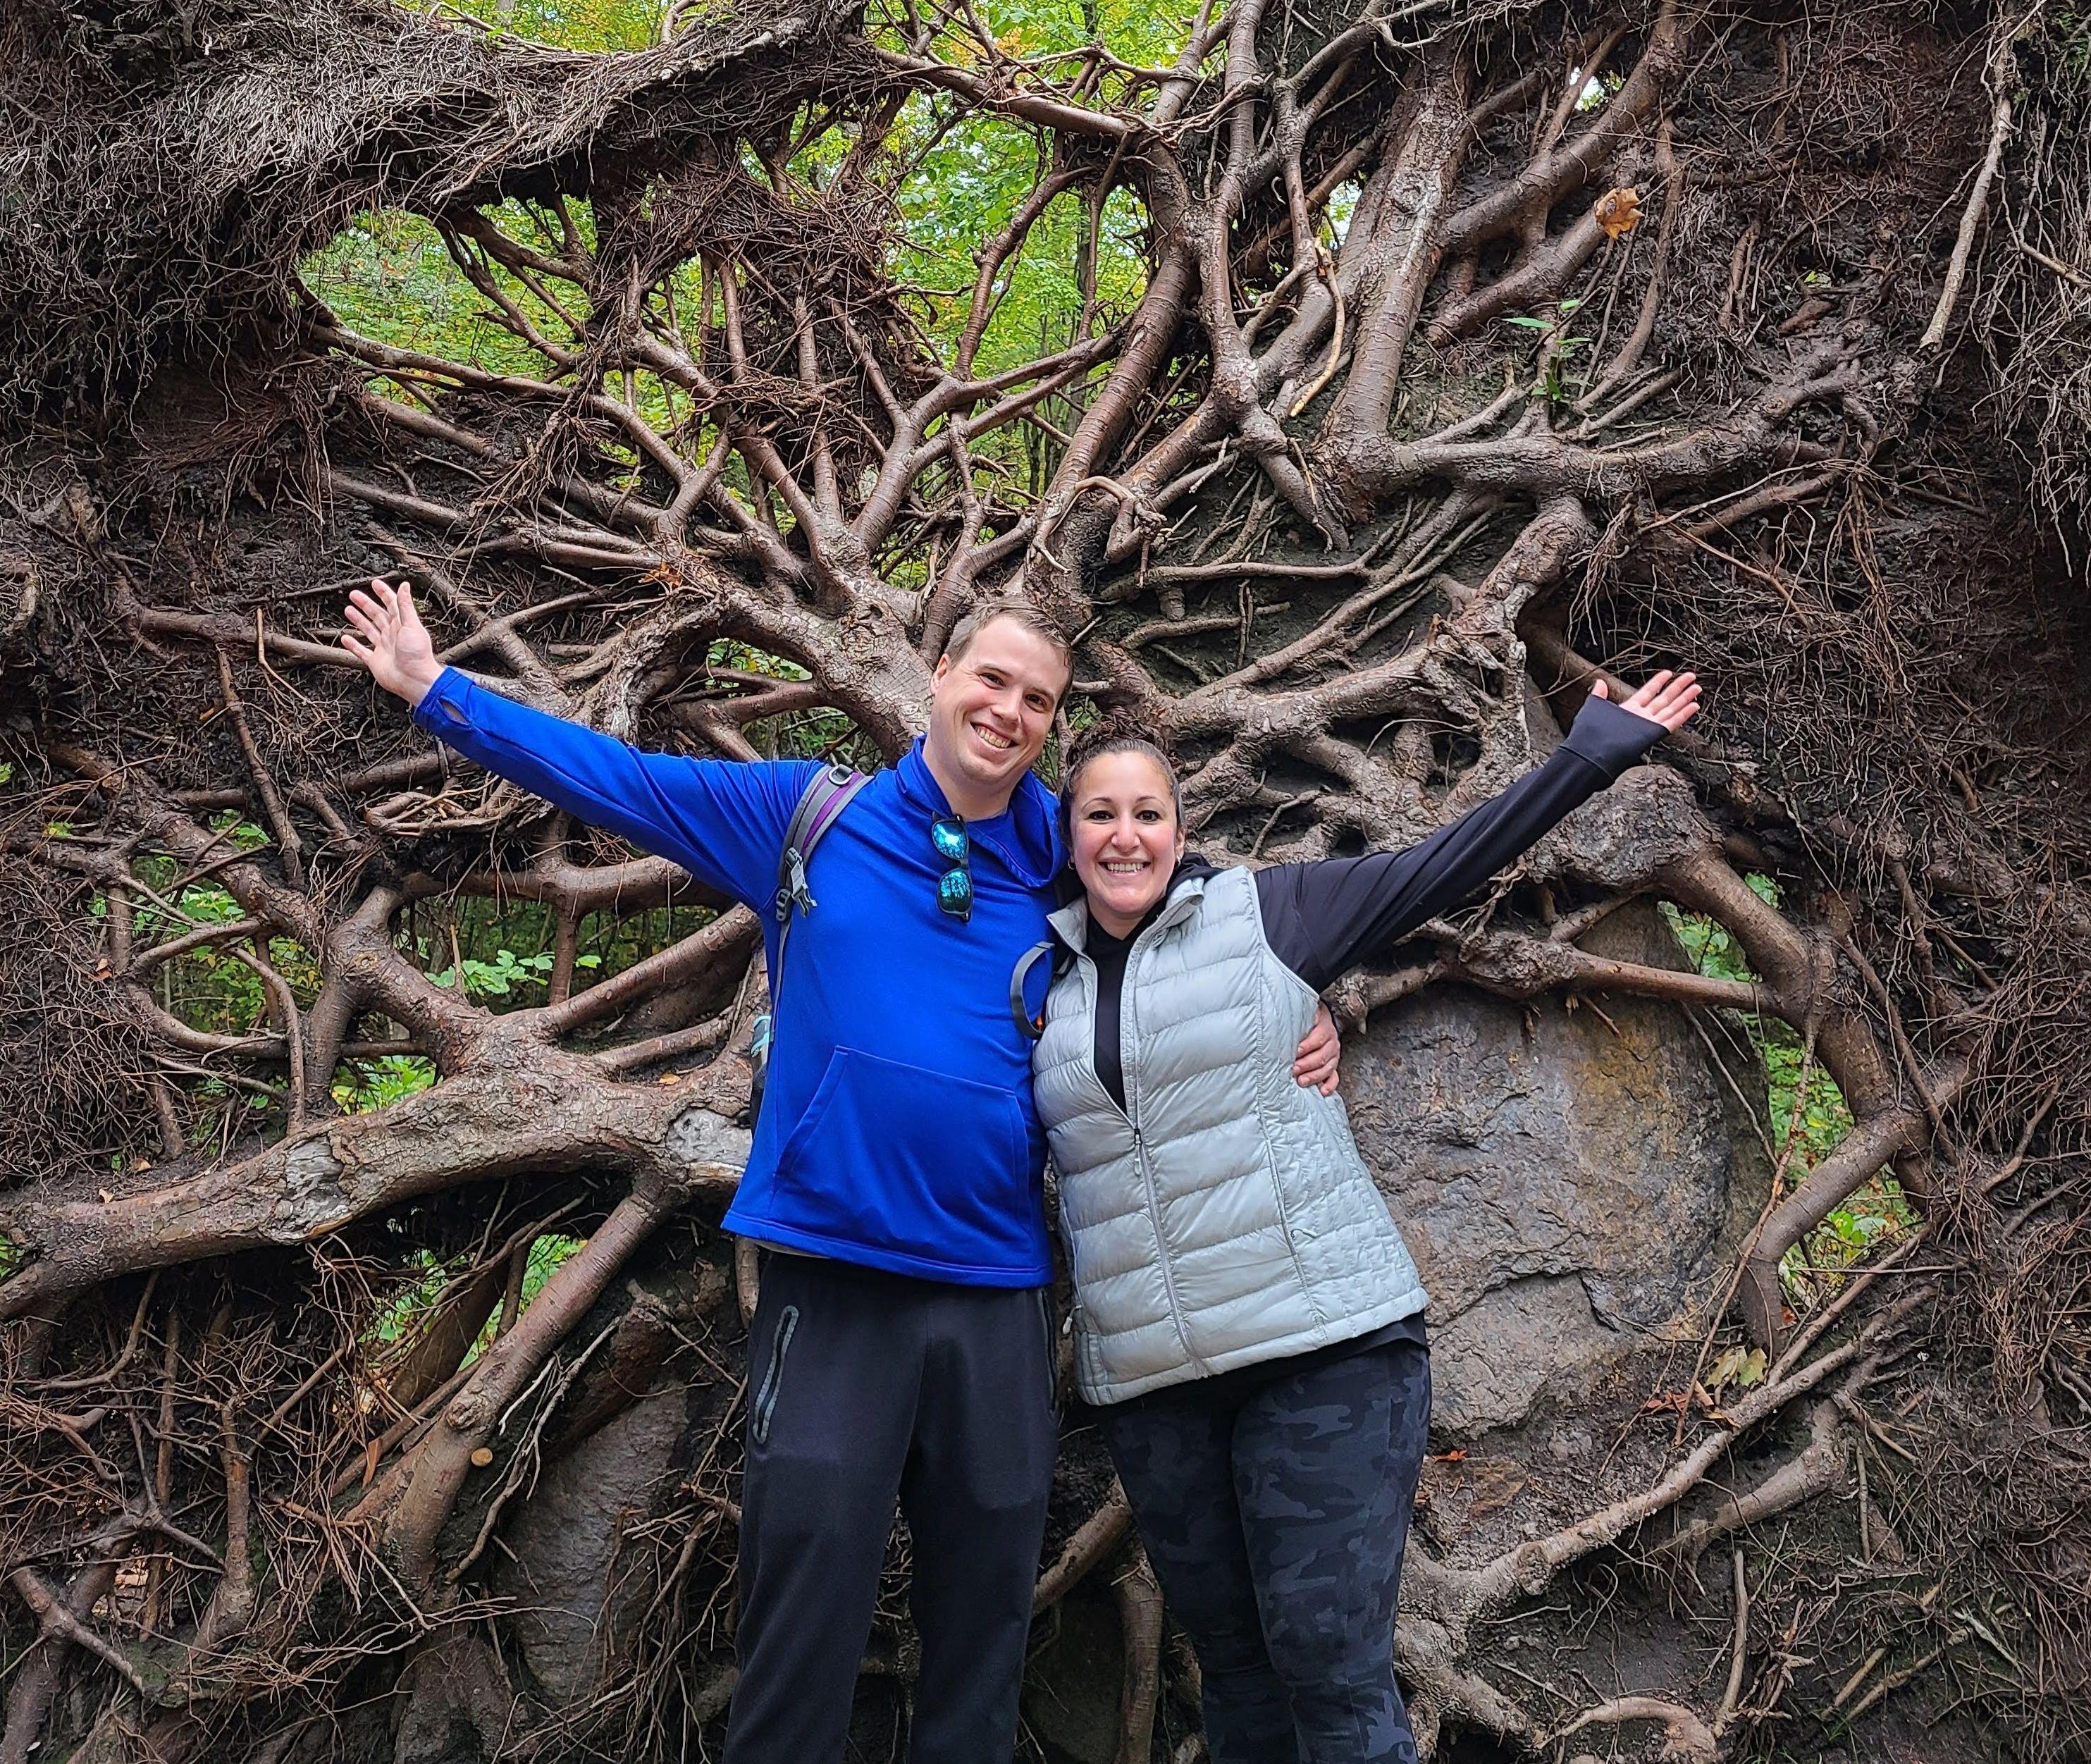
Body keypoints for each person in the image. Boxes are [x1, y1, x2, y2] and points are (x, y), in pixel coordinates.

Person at [338, 577, 1338, 1763]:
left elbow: (1203, 918)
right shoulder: (804, 816)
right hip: (833, 1279)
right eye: (992, 680)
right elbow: (616, 777)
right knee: (800, 1628)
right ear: (939, 678)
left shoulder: (1065, 867)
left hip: (999, 1295)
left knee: (981, 1640)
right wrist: (436, 691)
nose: (1010, 710)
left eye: (1038, 699)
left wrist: (1313, 1009)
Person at [1025, 669, 1703, 1764]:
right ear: (1066, 836)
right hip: (1156, 1390)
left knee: (1332, 1677)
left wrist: (1590, 753)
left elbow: (1442, 865)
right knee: (1238, 1685)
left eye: (1146, 811)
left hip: (1320, 1354)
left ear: (1180, 825)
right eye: (1098, 813)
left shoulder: (1270, 914)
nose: (1123, 835)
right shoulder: (1035, 978)